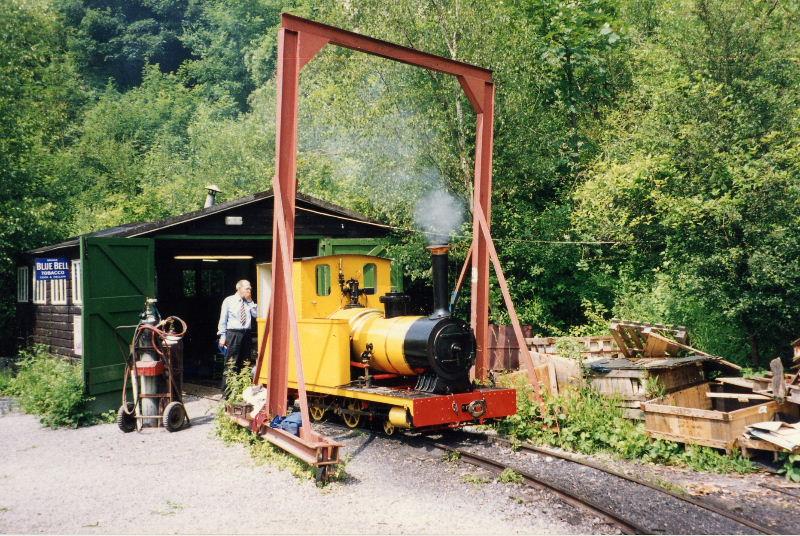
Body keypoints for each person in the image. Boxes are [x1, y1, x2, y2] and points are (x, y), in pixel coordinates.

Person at [217, 279, 257, 394]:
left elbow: (257, 314)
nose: (249, 290)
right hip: (233, 333)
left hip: (246, 334)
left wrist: (250, 301)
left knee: (245, 362)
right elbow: (223, 319)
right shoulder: (229, 301)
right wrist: (222, 336)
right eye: (247, 288)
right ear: (238, 288)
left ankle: (242, 391)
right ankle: (227, 393)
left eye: (250, 288)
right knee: (231, 362)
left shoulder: (249, 303)